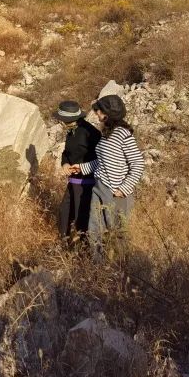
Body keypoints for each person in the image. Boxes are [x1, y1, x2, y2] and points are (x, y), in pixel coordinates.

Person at [64, 94, 144, 258]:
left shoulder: (123, 134)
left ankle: (121, 268)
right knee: (95, 230)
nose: (97, 113)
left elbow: (138, 163)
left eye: (99, 110)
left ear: (109, 113)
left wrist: (124, 188)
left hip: (116, 192)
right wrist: (81, 167)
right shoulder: (107, 134)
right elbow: (100, 162)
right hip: (99, 187)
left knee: (117, 233)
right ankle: (97, 267)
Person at [54, 100, 102, 242]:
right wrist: (65, 164)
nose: (61, 122)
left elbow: (100, 158)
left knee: (82, 216)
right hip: (73, 181)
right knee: (65, 212)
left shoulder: (91, 133)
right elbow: (66, 153)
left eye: (63, 120)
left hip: (86, 183)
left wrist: (82, 168)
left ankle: (84, 249)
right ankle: (65, 242)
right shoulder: (71, 131)